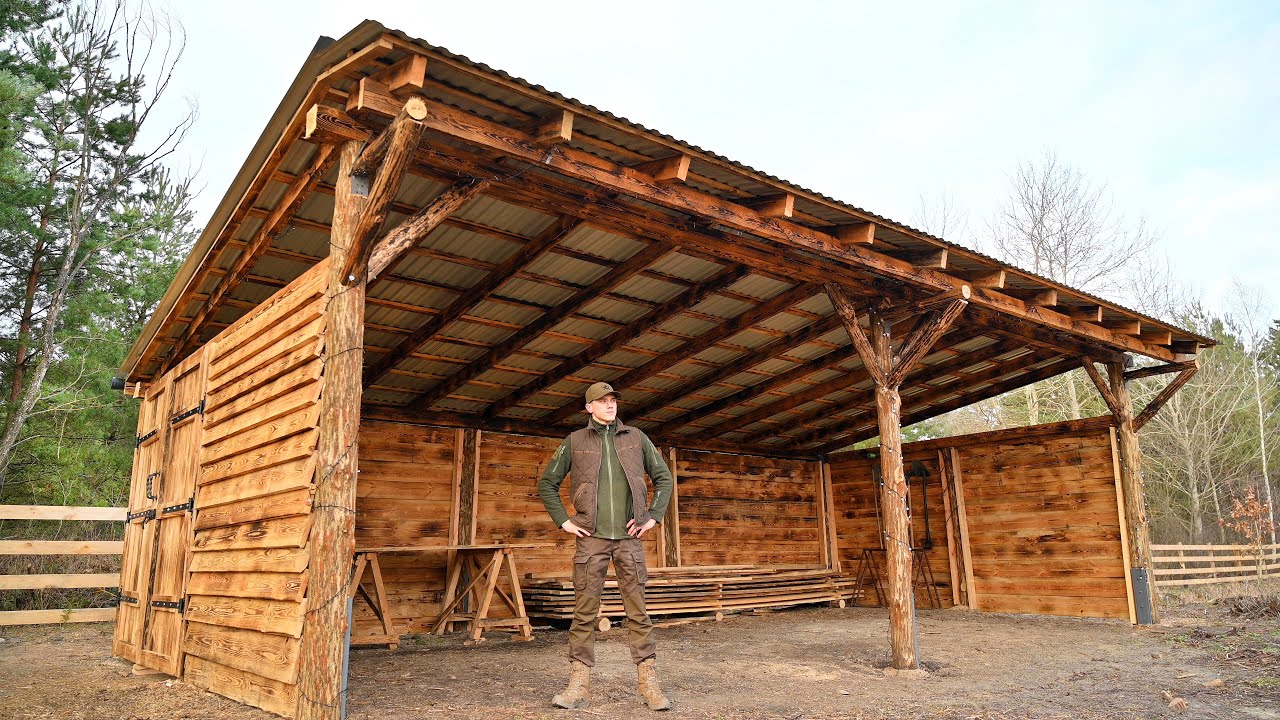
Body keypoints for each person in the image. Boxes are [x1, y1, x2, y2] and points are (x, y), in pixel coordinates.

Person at [537, 381, 675, 711]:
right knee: (584, 614)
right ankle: (578, 685)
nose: (610, 405)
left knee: (638, 613)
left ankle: (648, 684)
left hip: (629, 539)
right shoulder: (574, 441)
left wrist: (653, 517)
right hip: (591, 540)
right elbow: (547, 483)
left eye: (613, 400)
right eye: (602, 401)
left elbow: (664, 478)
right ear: (589, 408)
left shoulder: (637, 438)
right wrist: (564, 521)